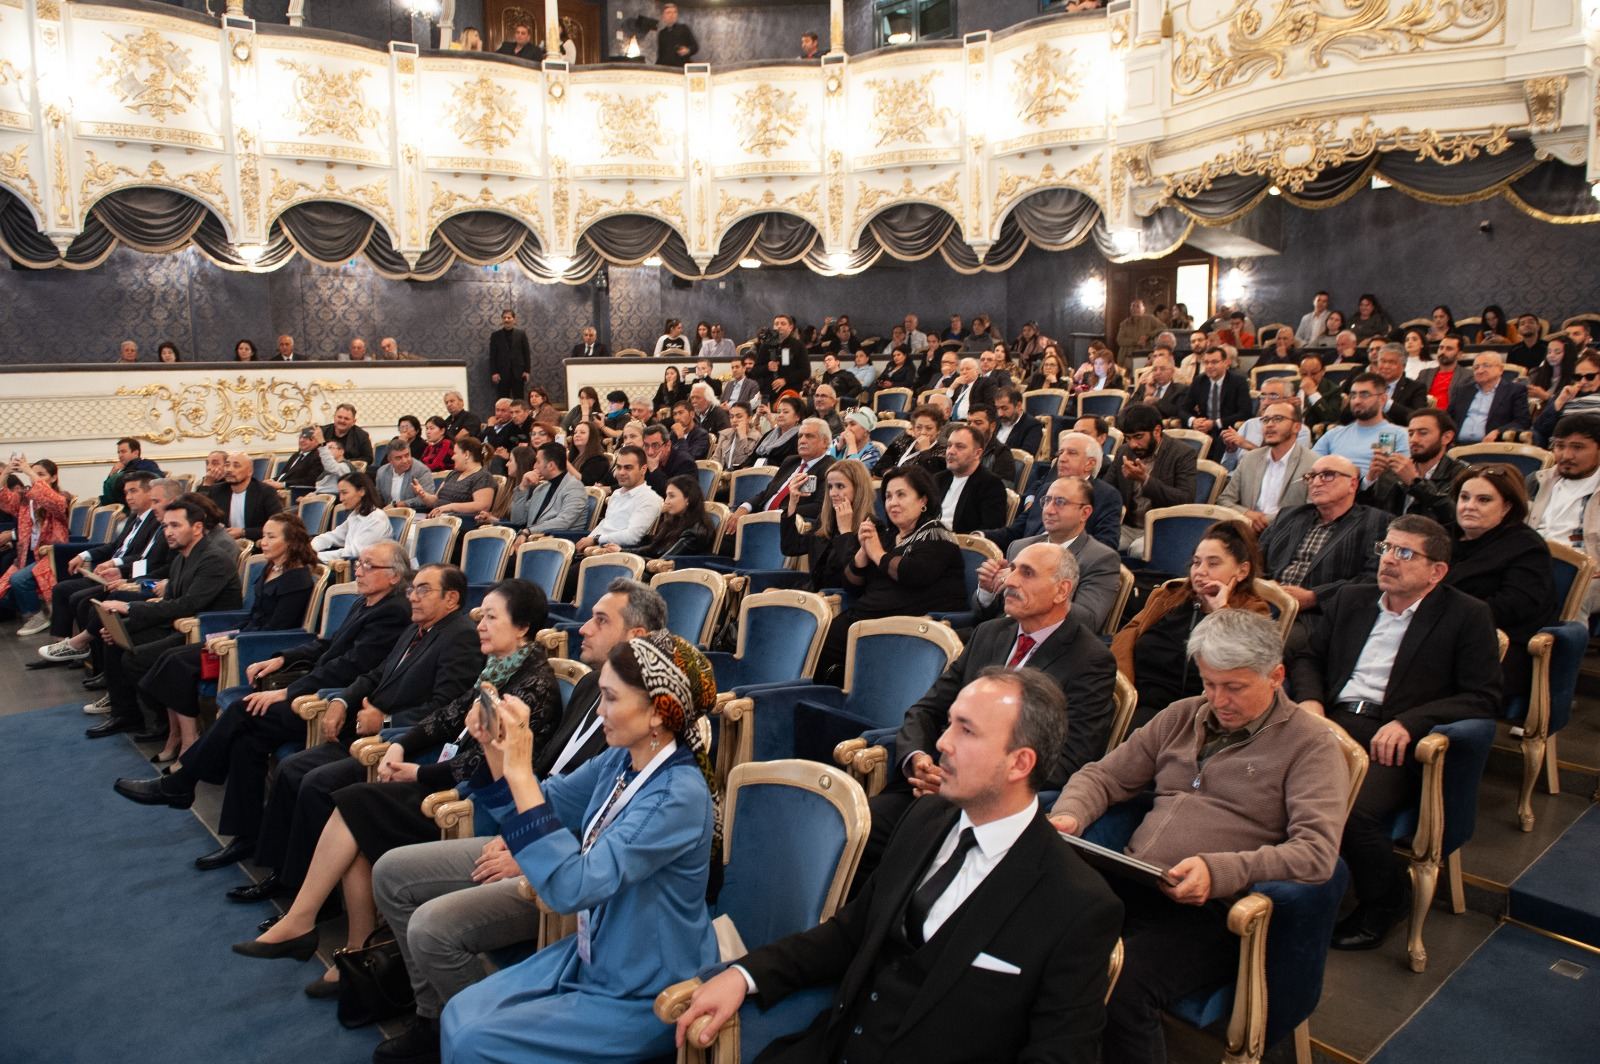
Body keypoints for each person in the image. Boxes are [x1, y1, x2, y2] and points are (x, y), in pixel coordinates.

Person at [677, 669, 1123, 1063]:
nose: (942, 742)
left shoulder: (1076, 903)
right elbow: (851, 933)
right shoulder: (926, 818)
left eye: (966, 731)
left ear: (1019, 763)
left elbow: (1059, 1053)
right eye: (948, 723)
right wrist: (745, 973)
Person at [369, 580, 667, 1061]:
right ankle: (436, 1020)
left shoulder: (671, 788)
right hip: (540, 843)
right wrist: (493, 747)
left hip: (582, 895)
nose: (582, 628)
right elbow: (544, 797)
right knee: (392, 873)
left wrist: (525, 828)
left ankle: (461, 1033)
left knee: (434, 934)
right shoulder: (609, 736)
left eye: (600, 619)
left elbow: (578, 877)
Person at [1053, 608, 1348, 1064]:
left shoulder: (1310, 746)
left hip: (1215, 910)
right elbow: (1102, 777)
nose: (1219, 700)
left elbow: (1317, 854)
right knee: (1036, 931)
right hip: (1138, 879)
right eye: (1210, 684)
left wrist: (1221, 870)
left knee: (1125, 987)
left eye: (1234, 687)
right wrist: (1071, 816)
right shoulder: (1183, 714)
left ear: (1276, 676)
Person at [233, 580, 559, 991]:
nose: (480, 625)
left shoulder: (533, 685)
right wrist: (401, 744)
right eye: (482, 616)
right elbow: (447, 716)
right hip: (451, 779)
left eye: (492, 617)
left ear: (522, 628)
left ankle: (311, 926)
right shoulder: (498, 668)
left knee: (355, 806)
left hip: (473, 801)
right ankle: (352, 947)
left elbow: (480, 764)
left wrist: (417, 773)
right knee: (356, 815)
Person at [440, 631, 719, 1064]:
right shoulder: (620, 760)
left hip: (647, 986)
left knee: (474, 1041)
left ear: (656, 716)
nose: (599, 710)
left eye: (609, 698)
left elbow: (573, 887)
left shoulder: (677, 796)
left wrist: (517, 767)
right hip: (599, 954)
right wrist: (496, 749)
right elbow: (543, 801)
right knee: (459, 1014)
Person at [111, 542, 413, 869]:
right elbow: (326, 646)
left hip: (334, 703)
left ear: (394, 576)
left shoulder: (393, 612)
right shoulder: (365, 602)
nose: (359, 569)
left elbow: (351, 666)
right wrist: (283, 658)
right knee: (247, 741)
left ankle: (180, 784)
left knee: (244, 710)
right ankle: (246, 836)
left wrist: (287, 692)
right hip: (316, 687)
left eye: (370, 566)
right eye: (361, 563)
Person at [1290, 515, 1502, 950]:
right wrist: (1311, 702)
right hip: (1330, 719)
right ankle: (1283, 889)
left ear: (1436, 571)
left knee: (1352, 812)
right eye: (1386, 548)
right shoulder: (1353, 598)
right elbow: (1308, 657)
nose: (1389, 560)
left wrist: (1410, 722)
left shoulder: (1466, 615)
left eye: (1405, 553)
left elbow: (1483, 697)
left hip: (1397, 736)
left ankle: (1385, 899)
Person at [239, 564, 485, 904]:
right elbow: (374, 675)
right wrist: (341, 699)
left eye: (423, 590)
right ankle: (281, 871)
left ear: (452, 598)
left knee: (315, 783)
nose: (412, 596)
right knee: (292, 768)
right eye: (412, 589)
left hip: (397, 745)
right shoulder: (418, 629)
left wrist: (384, 721)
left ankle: (314, 895)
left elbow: (446, 708)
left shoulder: (460, 636)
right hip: (364, 734)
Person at [140, 512, 320, 759]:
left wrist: (233, 640)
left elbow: (276, 628)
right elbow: (252, 616)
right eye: (263, 535)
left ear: (290, 542)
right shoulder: (270, 568)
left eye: (271, 537)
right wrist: (227, 633)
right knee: (168, 656)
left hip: (256, 649)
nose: (262, 541)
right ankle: (177, 735)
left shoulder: (297, 579)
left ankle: (189, 741)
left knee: (178, 664)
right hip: (244, 636)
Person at [86, 497, 244, 740]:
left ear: (197, 527)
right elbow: (170, 600)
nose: (168, 532)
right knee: (116, 635)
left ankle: (163, 724)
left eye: (176, 526)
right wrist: (126, 619)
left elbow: (188, 605)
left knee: (135, 658)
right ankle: (126, 714)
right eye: (166, 526)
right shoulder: (182, 557)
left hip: (204, 630)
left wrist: (128, 606)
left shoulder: (213, 559)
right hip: (180, 622)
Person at [1113, 520, 1274, 728]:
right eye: (1197, 562)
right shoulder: (1170, 596)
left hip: (1187, 719)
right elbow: (1128, 635)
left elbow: (1239, 668)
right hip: (1133, 698)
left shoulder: (1254, 612)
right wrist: (1124, 692)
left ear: (1242, 571)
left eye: (1213, 563)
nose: (1200, 571)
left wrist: (1221, 611)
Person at [816, 464, 966, 683]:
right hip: (861, 625)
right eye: (887, 496)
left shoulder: (937, 536)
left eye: (901, 495)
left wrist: (876, 552)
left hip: (906, 630)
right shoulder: (889, 537)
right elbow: (852, 585)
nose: (892, 502)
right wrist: (862, 553)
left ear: (923, 500)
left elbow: (912, 574)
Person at [1447, 464, 1557, 693]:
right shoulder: (1443, 537)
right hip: (1438, 635)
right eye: (1464, 497)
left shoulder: (1527, 547)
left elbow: (1513, 606)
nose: (1469, 506)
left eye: (1483, 500)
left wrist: (1444, 613)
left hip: (1496, 648)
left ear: (1507, 506)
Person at [971, 475, 1122, 630]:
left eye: (1060, 502)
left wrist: (1033, 588)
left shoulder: (1100, 559)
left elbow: (1088, 621)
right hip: (1000, 636)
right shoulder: (1020, 547)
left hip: (1051, 646)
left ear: (1085, 513)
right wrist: (987, 591)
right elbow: (986, 615)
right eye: (1046, 501)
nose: (1049, 510)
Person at [40, 471, 165, 650]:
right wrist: (84, 555)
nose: (128, 497)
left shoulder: (157, 521)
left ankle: (81, 649)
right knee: (62, 589)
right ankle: (61, 642)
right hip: (118, 572)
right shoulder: (134, 517)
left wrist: (118, 567)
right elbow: (114, 545)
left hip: (133, 575)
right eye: (126, 492)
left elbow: (147, 559)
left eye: (133, 491)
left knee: (83, 600)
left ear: (149, 492)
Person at [1258, 454, 1387, 611]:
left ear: (1353, 484)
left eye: (1327, 475)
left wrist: (1315, 597)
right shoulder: (1289, 515)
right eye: (1311, 476)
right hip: (1264, 602)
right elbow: (1255, 554)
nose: (1316, 482)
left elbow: (1373, 577)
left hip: (1320, 615)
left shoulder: (1378, 522)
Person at [1528, 414, 1600, 620]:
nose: (1566, 455)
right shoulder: (1537, 481)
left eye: (1577, 447)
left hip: (1589, 572)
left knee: (1576, 595)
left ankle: (1560, 649)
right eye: (1559, 446)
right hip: (1534, 562)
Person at [1105, 403, 1198, 551]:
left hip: (1163, 528)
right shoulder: (1124, 451)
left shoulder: (1182, 454)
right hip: (1128, 526)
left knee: (1138, 550)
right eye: (1128, 438)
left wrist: (1144, 480)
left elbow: (1185, 499)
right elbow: (1107, 490)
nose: (1133, 444)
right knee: (1101, 545)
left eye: (1138, 437)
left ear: (1156, 431)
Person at [1216, 400, 1316, 530]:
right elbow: (1224, 500)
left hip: (1288, 534)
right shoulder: (1250, 459)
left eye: (1278, 419)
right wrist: (1247, 514)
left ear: (1296, 427)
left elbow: (1312, 510)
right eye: (1265, 420)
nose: (1269, 425)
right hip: (1247, 530)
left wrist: (1265, 520)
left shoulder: (1313, 463)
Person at [0, 456, 69, 635]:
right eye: (34, 474)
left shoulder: (60, 498)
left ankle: (39, 615)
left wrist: (29, 471)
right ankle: (28, 611)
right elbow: (3, 497)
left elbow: (50, 499)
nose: (35, 478)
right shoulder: (27, 500)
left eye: (41, 474)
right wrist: (6, 472)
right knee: (4, 593)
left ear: (53, 478)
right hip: (27, 555)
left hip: (51, 554)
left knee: (19, 580)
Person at [779, 459, 870, 591]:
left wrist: (845, 531)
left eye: (840, 486)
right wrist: (792, 503)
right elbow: (791, 547)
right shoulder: (826, 521)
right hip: (813, 592)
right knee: (767, 594)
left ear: (858, 489)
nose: (832, 493)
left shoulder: (870, 526)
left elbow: (854, 581)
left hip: (836, 599)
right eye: (830, 487)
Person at [730, 418, 834, 530]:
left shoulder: (830, 469)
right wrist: (744, 508)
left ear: (825, 442)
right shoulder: (790, 461)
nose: (802, 440)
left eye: (809, 436)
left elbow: (819, 507)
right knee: (721, 529)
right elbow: (767, 493)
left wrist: (779, 513)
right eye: (800, 436)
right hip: (758, 519)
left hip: (788, 527)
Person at [1361, 408, 1463, 523]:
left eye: (1423, 433)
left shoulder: (1461, 474)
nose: (1413, 440)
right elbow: (1369, 514)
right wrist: (1370, 480)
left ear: (1446, 437)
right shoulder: (1395, 470)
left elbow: (1454, 518)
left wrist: (1416, 483)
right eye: (1411, 433)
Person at [596, 474, 714, 561]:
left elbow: (663, 562)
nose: (666, 501)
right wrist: (620, 550)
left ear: (688, 499)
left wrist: (623, 554)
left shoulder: (696, 531)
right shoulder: (675, 521)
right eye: (666, 496)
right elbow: (653, 548)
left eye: (671, 496)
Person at [1314, 372, 1411, 478]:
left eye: (1364, 395)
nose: (1357, 401)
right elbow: (1311, 466)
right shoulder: (1334, 434)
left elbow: (1400, 477)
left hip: (1371, 491)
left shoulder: (1395, 434)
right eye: (1353, 395)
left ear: (1382, 399)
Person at [575, 447, 663, 554]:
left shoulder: (649, 499)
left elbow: (632, 537)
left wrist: (596, 539)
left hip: (615, 556)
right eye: (619, 467)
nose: (621, 472)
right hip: (593, 550)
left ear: (643, 469)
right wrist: (587, 541)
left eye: (628, 468)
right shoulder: (616, 494)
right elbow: (605, 524)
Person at [1215, 379, 1312, 472]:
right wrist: (1231, 451)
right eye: (1263, 397)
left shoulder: (1299, 430)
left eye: (1273, 396)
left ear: (1289, 400)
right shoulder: (1249, 424)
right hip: (1238, 480)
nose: (1266, 402)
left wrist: (1247, 445)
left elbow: (1290, 468)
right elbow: (1226, 468)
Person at [933, 424, 1008, 535]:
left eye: (959, 447)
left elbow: (990, 530)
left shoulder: (991, 485)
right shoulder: (939, 479)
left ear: (977, 453)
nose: (950, 451)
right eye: (949, 446)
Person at [508, 443, 589, 538]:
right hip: (531, 540)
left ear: (551, 465)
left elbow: (563, 522)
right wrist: (523, 487)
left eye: (537, 462)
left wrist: (528, 531)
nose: (534, 466)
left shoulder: (575, 487)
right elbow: (517, 521)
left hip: (557, 544)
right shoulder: (541, 488)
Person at [1448, 351, 1530, 444]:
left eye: (1486, 365)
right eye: (1476, 367)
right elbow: (1449, 418)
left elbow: (1522, 421)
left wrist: (1498, 431)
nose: (1480, 370)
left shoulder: (1514, 391)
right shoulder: (1462, 390)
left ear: (1500, 369)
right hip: (1457, 445)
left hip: (1492, 446)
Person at [312, 471, 390, 562]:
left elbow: (354, 553)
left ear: (361, 491)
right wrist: (310, 549)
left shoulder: (377, 518)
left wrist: (315, 557)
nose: (341, 499)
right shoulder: (355, 515)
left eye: (344, 493)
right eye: (340, 493)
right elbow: (332, 537)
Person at [206, 450, 284, 541]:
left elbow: (278, 525)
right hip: (224, 545)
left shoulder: (265, 492)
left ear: (250, 471)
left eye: (236, 466)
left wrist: (243, 532)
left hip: (257, 545)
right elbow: (204, 520)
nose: (229, 469)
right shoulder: (217, 491)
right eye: (227, 465)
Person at [1183, 346, 1252, 447]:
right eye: (1206, 363)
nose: (1209, 366)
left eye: (1214, 362)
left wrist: (1215, 423)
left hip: (1228, 429)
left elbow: (1245, 412)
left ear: (1225, 363)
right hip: (1203, 430)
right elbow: (1183, 408)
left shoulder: (1238, 382)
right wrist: (1193, 421)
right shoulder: (1199, 381)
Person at [414, 437, 496, 521]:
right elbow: (436, 500)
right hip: (436, 520)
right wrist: (423, 494)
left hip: (458, 524)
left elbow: (482, 506)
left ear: (466, 455)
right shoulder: (453, 474)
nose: (452, 457)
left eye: (455, 453)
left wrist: (451, 507)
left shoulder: (483, 477)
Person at [872, 403, 946, 477]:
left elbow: (931, 476)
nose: (923, 432)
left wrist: (925, 451)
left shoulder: (942, 451)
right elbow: (879, 467)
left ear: (938, 430)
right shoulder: (904, 441)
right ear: (913, 428)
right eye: (918, 427)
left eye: (929, 428)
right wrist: (889, 473)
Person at [101, 437, 163, 507]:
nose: (120, 455)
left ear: (136, 453)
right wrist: (112, 474)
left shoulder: (146, 464)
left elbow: (159, 480)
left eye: (123, 451)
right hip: (120, 507)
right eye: (119, 452)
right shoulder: (121, 470)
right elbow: (108, 494)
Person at [376, 438, 437, 509]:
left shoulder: (421, 471)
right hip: (388, 515)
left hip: (416, 513)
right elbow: (378, 499)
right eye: (399, 458)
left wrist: (398, 505)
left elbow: (427, 500)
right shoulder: (382, 472)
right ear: (390, 460)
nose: (405, 461)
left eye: (407, 455)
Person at [712, 402, 761, 472]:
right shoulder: (725, 434)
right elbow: (715, 460)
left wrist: (743, 437)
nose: (734, 420)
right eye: (731, 417)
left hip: (741, 477)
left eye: (739, 416)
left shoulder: (756, 438)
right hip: (721, 477)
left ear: (749, 418)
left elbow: (742, 463)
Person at [1527, 335, 1572, 405]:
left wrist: (1546, 396)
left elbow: (1568, 405)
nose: (1551, 355)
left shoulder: (1573, 378)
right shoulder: (1536, 373)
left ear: (1568, 354)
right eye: (1549, 352)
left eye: (1557, 352)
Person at [654, 2, 698, 66]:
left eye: (675, 12)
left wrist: (687, 50)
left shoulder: (684, 28)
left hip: (681, 69)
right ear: (663, 16)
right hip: (666, 70)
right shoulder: (661, 33)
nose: (672, 15)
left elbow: (695, 47)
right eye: (668, 12)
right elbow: (660, 56)